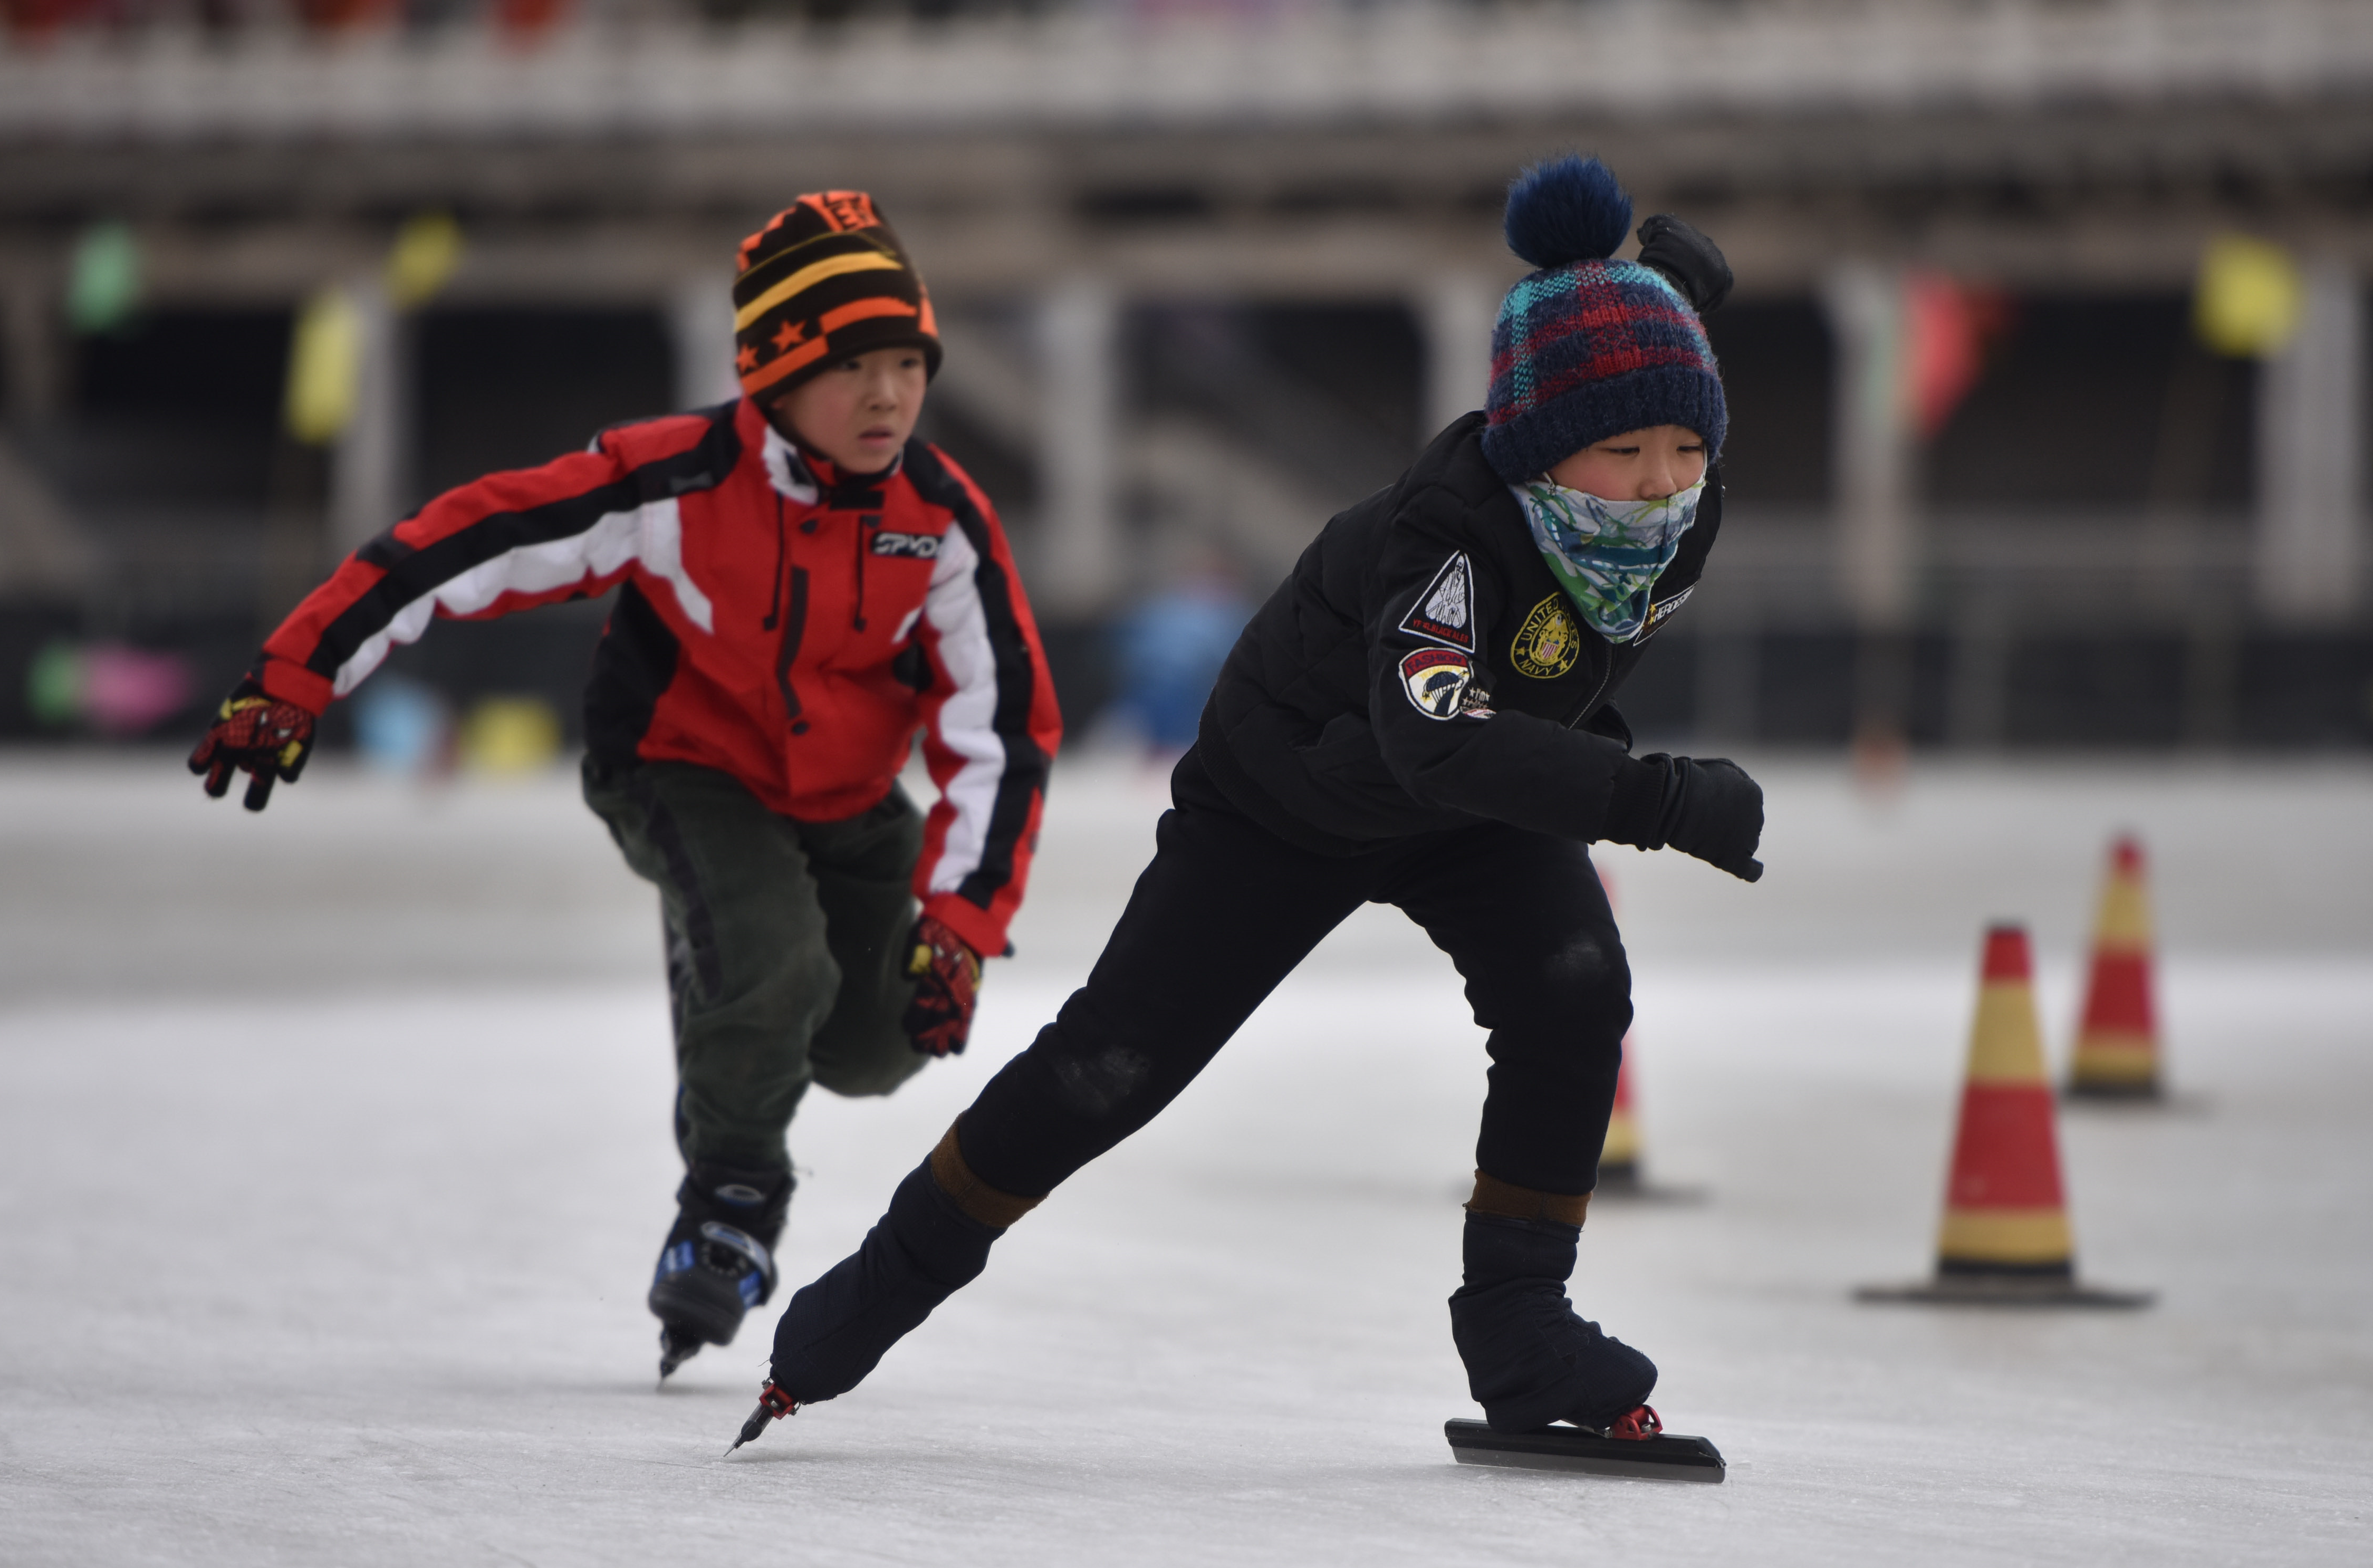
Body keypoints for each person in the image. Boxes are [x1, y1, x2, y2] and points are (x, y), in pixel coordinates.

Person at [731, 155, 1763, 1451]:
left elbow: (1635, 352)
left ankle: (1519, 1327)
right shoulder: (1448, 537)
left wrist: (1664, 290)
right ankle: (870, 1294)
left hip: (1479, 790)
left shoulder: (1683, 504)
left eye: (1687, 446)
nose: (1664, 485)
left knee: (1571, 986)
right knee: (1111, 1066)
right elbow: (1435, 735)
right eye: (1623, 453)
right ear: (1538, 448)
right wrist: (1653, 796)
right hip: (1294, 792)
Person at [186, 191, 1062, 1380]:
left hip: (848, 797)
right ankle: (731, 1203)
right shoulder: (676, 482)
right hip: (681, 766)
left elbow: (1001, 725)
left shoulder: (941, 521)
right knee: (771, 966)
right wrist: (300, 670)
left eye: (909, 363)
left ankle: (743, 993)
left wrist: (959, 924)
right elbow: (466, 543)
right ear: (771, 375)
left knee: (875, 1042)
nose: (889, 397)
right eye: (853, 365)